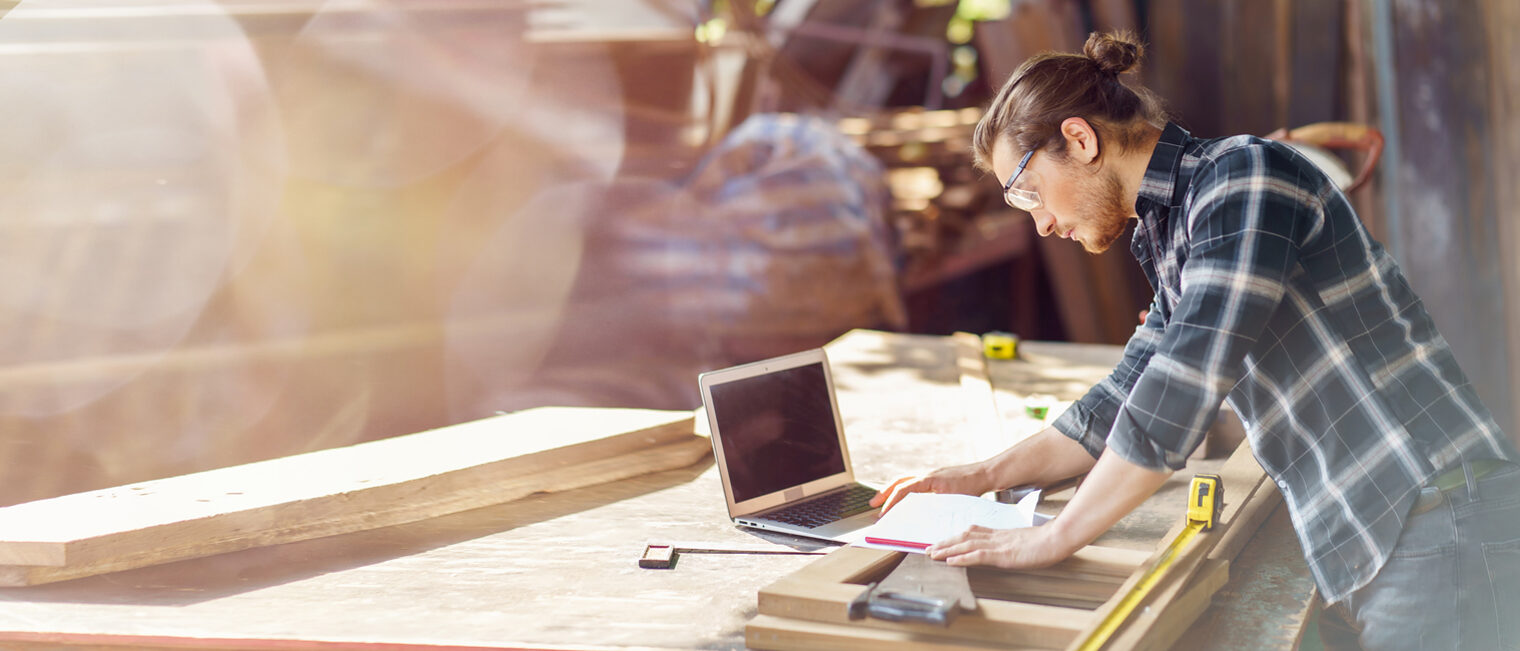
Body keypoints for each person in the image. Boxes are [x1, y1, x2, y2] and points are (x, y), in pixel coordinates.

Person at [868, 30, 1520, 650]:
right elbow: (1126, 396)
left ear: (1080, 138)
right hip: (1396, 531)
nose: (1040, 223)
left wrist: (1051, 538)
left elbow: (1181, 389)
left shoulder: (1243, 179)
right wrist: (979, 476)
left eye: (1030, 192)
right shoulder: (1177, 227)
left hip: (1439, 516)